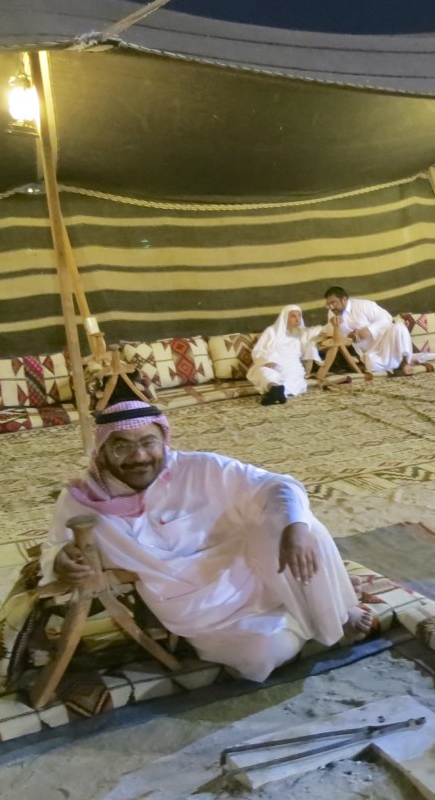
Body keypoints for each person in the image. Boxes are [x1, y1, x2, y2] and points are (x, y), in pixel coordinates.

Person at [42, 390, 375, 682]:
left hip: (249, 575)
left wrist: (296, 530)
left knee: (304, 527)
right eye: (121, 447)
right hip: (198, 614)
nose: (139, 457)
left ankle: (339, 613)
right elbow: (53, 547)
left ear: (164, 442)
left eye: (148, 443)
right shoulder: (80, 498)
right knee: (262, 656)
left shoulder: (200, 468)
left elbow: (279, 485)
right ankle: (314, 610)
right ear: (100, 450)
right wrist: (60, 561)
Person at [324, 285, 415, 375]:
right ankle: (395, 365)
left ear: (344, 300)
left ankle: (404, 363)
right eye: (328, 304)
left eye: (333, 302)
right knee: (371, 364)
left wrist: (369, 330)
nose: (331, 307)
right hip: (371, 351)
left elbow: (386, 318)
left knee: (399, 327)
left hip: (385, 340)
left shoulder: (363, 305)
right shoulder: (331, 314)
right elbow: (336, 338)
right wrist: (349, 337)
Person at [247, 304, 323, 406]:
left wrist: (334, 325)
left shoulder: (302, 333)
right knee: (263, 371)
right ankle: (274, 388)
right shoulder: (272, 331)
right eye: (293, 316)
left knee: (292, 379)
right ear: (285, 317)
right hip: (272, 363)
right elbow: (258, 350)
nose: (297, 319)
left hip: (292, 366)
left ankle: (276, 392)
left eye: (299, 316)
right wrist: (266, 361)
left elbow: (320, 330)